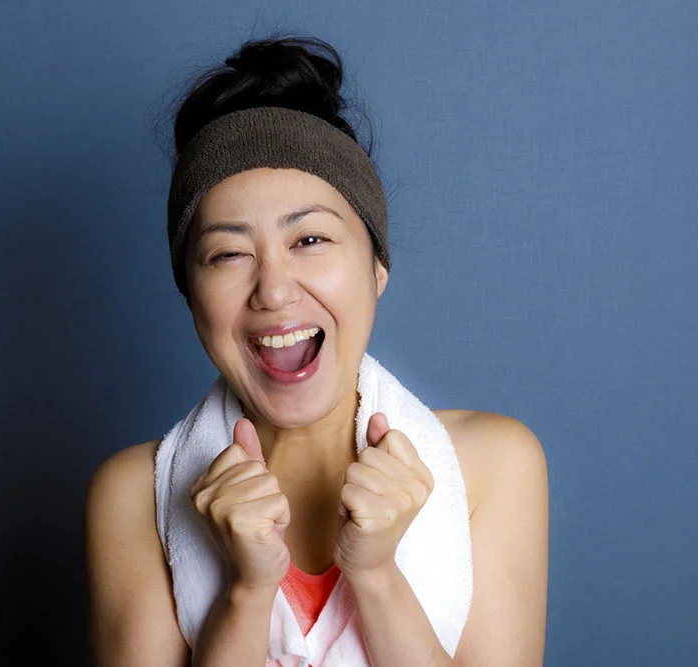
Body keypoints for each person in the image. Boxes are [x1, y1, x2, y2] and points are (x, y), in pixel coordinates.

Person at [85, 33, 548, 667]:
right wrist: (247, 593)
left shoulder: (492, 467)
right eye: (228, 253)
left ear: (377, 268)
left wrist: (378, 577)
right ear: (190, 295)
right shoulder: (134, 496)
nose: (273, 291)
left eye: (309, 240)